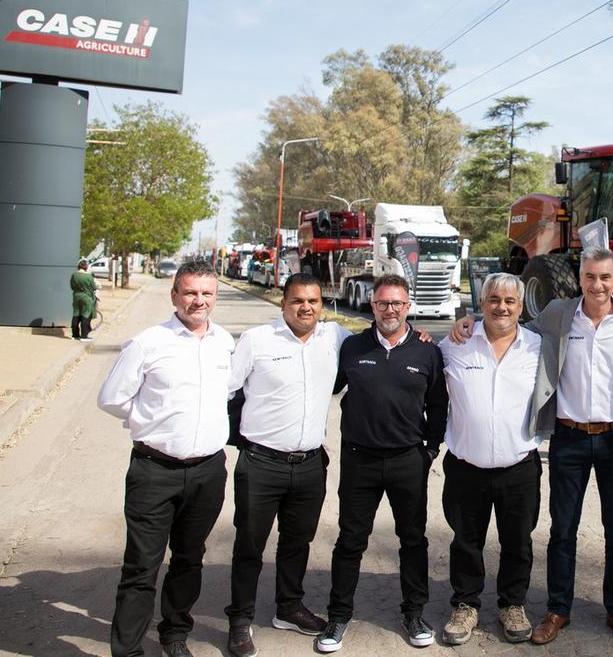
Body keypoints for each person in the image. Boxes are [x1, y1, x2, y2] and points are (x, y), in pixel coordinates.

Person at [450, 247, 613, 648]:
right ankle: (558, 609)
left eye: (606, 278)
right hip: (569, 438)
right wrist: (470, 322)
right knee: (563, 530)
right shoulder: (557, 314)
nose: (598, 285)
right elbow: (507, 321)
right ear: (580, 279)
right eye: (590, 277)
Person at [97, 260, 234, 657]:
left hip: (208, 471)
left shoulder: (224, 342)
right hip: (154, 471)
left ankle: (175, 633)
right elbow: (111, 398)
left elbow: (228, 393)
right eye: (190, 292)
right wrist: (149, 421)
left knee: (190, 559)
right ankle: (127, 650)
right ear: (174, 295)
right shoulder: (148, 343)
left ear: (216, 297)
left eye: (206, 293)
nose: (198, 300)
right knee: (142, 565)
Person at [317, 274, 448, 653]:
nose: (390, 310)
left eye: (397, 304)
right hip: (360, 461)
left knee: (412, 540)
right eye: (382, 303)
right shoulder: (353, 346)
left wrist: (431, 448)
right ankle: (338, 617)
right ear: (372, 305)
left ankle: (414, 613)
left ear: (408, 307)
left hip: (409, 460)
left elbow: (438, 403)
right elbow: (326, 385)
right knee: (350, 541)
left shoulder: (427, 351)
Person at [222, 273, 351, 656]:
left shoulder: (336, 338)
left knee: (297, 542)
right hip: (261, 463)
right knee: (249, 545)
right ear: (283, 304)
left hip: (310, 464)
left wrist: (432, 333)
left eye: (313, 301)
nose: (306, 307)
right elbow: (225, 389)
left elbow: (383, 336)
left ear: (321, 306)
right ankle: (239, 620)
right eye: (297, 301)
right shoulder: (257, 341)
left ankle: (288, 607)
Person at [436, 273, 542, 646]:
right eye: (494, 300)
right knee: (465, 541)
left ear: (520, 306)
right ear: (481, 304)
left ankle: (512, 604)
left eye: (510, 301)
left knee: (518, 541)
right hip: (467, 467)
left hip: (520, 466)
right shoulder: (454, 345)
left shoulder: (537, 347)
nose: (502, 307)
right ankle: (465, 604)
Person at [70, 258, 99, 341]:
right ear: (86, 267)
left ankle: (75, 335)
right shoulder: (89, 276)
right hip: (87, 298)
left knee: (76, 315)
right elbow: (93, 287)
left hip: (76, 297)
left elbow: (72, 286)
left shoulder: (74, 275)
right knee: (85, 316)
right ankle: (84, 335)